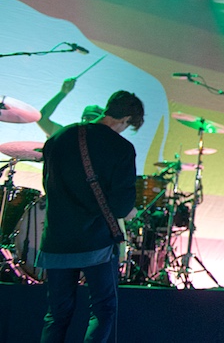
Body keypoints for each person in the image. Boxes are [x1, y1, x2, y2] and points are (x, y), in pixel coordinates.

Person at [37, 90, 144, 343]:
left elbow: (47, 184)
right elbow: (120, 207)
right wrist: (130, 210)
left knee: (57, 314)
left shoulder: (60, 137)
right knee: (103, 309)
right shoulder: (121, 148)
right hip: (95, 244)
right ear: (126, 119)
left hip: (57, 240)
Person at [38, 77, 104, 137]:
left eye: (95, 118)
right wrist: (63, 92)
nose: (89, 121)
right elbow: (41, 118)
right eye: (87, 118)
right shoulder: (68, 136)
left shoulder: (106, 142)